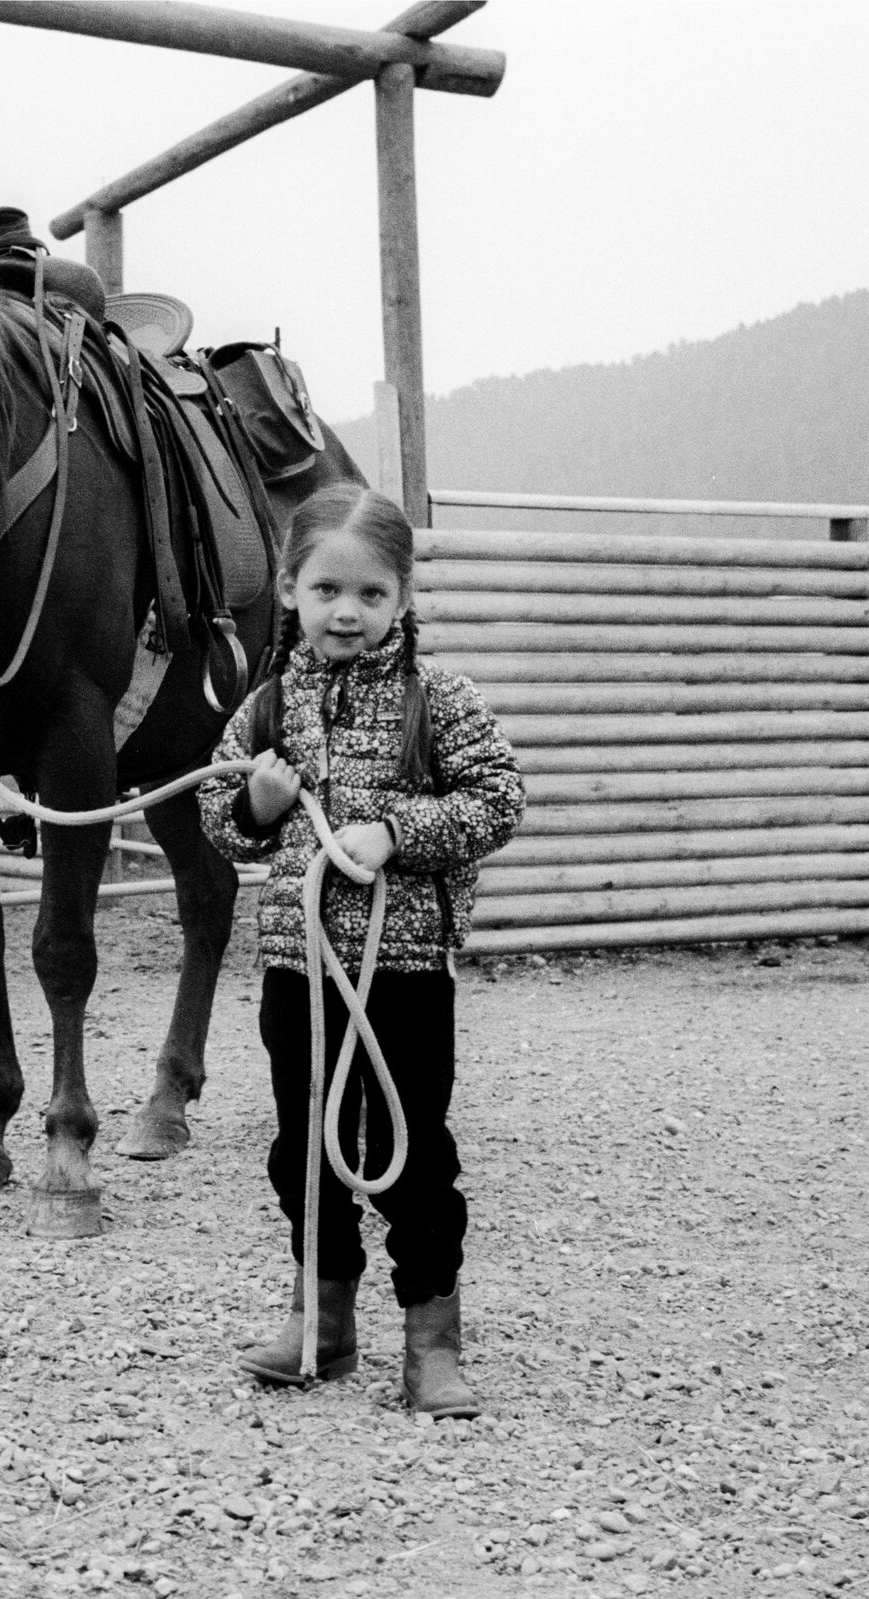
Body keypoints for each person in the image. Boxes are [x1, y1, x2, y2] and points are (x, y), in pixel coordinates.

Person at [199, 483, 524, 1418]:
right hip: (298, 971)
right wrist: (257, 805)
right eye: (328, 590)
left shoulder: (441, 700)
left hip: (407, 971)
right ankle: (322, 1322)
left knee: (414, 1152)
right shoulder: (266, 710)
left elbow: (499, 799)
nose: (348, 611)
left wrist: (396, 829)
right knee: (303, 1147)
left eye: (372, 594)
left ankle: (432, 1343)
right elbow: (219, 820)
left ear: (404, 597)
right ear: (293, 592)